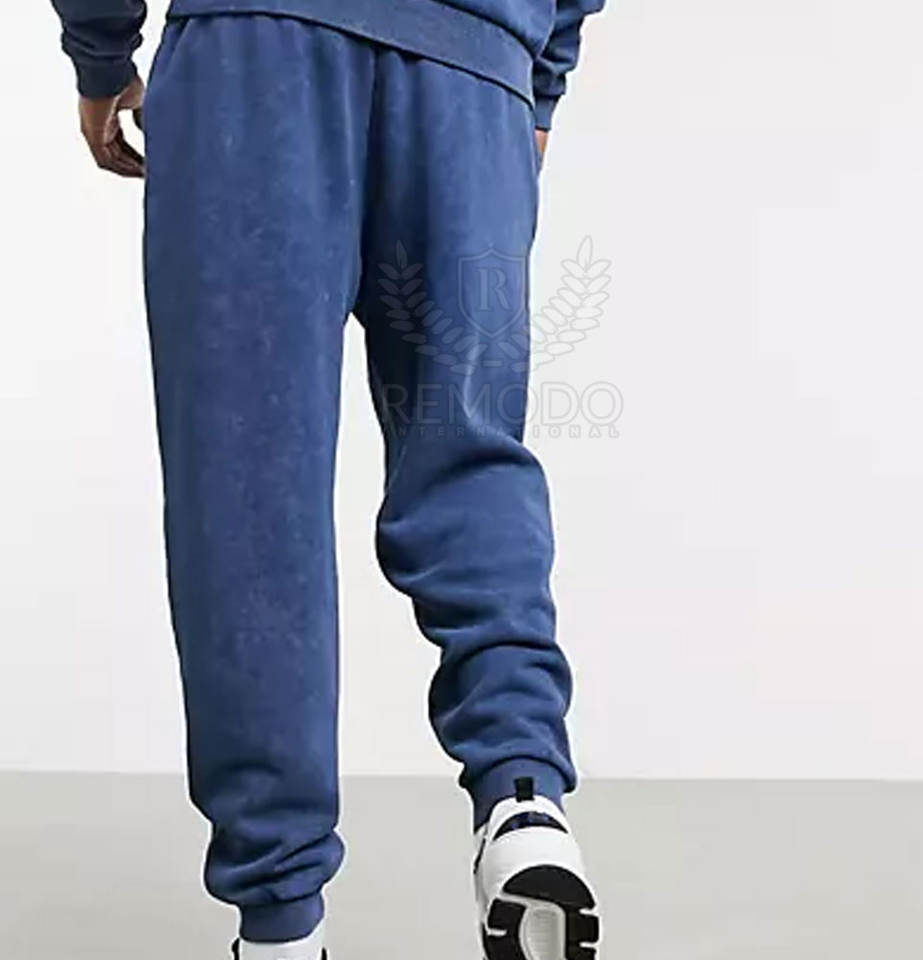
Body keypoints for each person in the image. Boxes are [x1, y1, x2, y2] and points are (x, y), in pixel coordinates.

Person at [48, 0, 607, 957]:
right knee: (468, 454)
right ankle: (524, 803)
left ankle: (281, 921)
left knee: (249, 483)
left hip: (256, 51)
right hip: (477, 76)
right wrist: (536, 73)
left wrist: (101, 53)